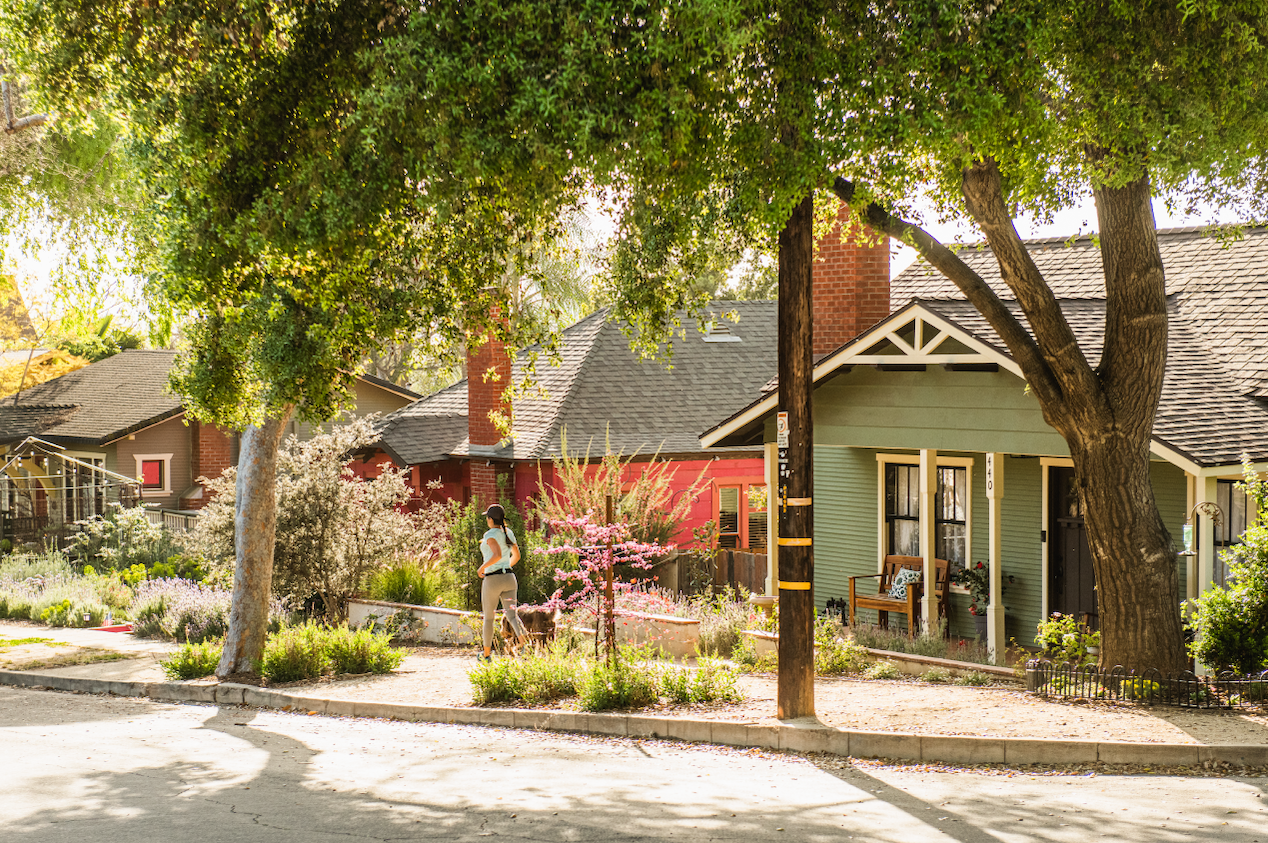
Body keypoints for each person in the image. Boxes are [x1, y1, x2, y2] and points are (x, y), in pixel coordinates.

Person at [478, 503, 529, 662]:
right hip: (509, 578)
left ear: (491, 519)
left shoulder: (489, 535)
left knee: (488, 618)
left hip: (492, 579)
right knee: (512, 616)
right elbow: (517, 556)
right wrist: (505, 567)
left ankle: (486, 655)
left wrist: (482, 568)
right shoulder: (509, 533)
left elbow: (497, 554)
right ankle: (526, 647)